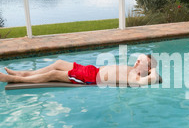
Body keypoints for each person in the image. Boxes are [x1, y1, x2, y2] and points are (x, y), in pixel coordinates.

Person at [0, 54, 161, 87]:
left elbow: (152, 78)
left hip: (90, 78)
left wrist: (153, 70)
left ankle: (14, 79)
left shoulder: (136, 79)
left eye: (141, 61)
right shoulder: (132, 69)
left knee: (53, 74)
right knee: (58, 63)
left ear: (147, 68)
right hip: (92, 69)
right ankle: (23, 73)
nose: (136, 61)